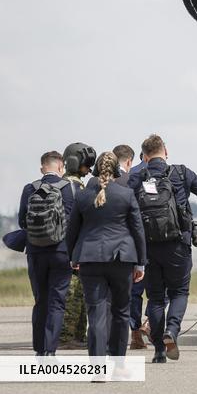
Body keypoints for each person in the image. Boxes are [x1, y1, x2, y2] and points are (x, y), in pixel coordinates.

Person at [128, 134, 197, 363]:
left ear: (144, 156)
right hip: (178, 244)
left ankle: (158, 350)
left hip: (148, 247)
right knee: (179, 292)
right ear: (165, 152)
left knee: (155, 298)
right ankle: (172, 331)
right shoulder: (180, 172)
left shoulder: (137, 176)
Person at [66, 151, 147, 357]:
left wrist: (72, 257)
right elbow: (138, 230)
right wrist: (140, 263)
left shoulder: (83, 196)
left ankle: (97, 366)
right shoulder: (126, 195)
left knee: (96, 314)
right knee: (121, 312)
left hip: (90, 259)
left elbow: (72, 230)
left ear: (96, 170)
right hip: (121, 259)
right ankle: (118, 362)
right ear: (117, 171)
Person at [18, 150, 75, 356]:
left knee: (40, 300)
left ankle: (39, 351)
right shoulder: (68, 188)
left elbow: (22, 222)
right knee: (56, 302)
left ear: (42, 167)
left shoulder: (29, 189)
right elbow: (72, 222)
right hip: (61, 252)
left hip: (35, 252)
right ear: (61, 167)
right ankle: (50, 351)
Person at [110, 144, 147, 349]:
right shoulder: (134, 181)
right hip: (135, 245)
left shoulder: (98, 183)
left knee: (127, 295)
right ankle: (145, 326)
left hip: (106, 249)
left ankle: (132, 333)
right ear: (130, 160)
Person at [60, 145, 92, 350]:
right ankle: (68, 337)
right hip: (73, 250)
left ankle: (75, 336)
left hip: (57, 248)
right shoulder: (77, 189)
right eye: (85, 166)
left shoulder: (59, 185)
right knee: (75, 296)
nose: (88, 169)